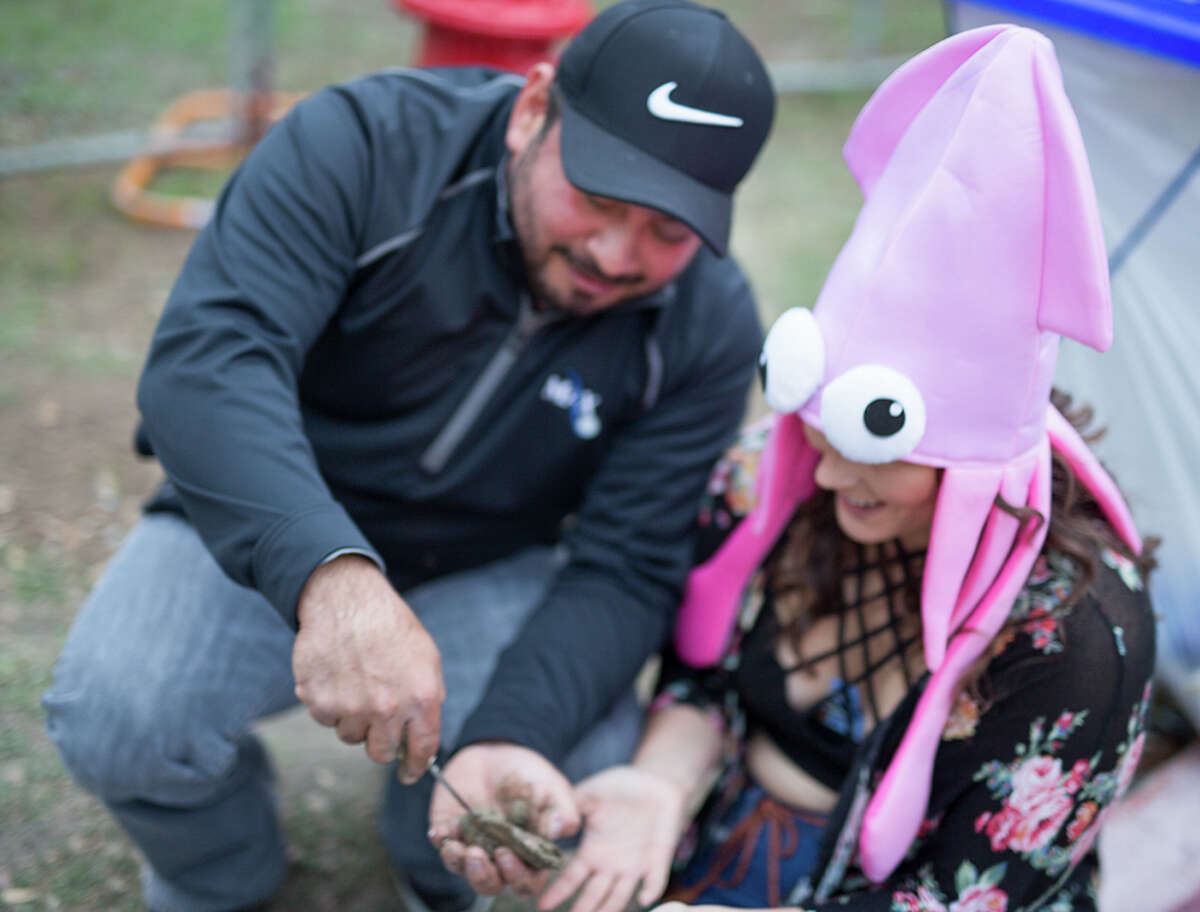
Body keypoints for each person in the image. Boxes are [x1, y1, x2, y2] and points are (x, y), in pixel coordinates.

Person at [39, 2, 776, 910]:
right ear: (531, 111)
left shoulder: (710, 321)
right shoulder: (364, 147)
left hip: (488, 564)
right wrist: (331, 573)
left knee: (570, 770)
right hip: (279, 520)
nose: (615, 255)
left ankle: (430, 865)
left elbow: (626, 564)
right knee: (119, 715)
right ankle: (222, 876)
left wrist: (517, 729)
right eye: (598, 197)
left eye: (668, 233)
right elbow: (212, 360)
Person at [440, 24, 1159, 912]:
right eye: (814, 438)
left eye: (867, 456)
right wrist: (661, 784)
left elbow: (971, 895)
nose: (821, 479)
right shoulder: (765, 478)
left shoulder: (1075, 633)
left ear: (967, 462)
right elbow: (701, 675)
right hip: (730, 845)